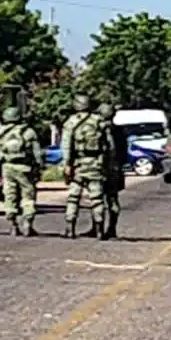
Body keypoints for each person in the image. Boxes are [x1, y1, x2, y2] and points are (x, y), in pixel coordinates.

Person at [60, 93, 114, 239]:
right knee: (96, 198)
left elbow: (66, 146)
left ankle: (70, 228)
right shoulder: (99, 121)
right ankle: (99, 229)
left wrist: (66, 165)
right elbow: (110, 146)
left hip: (78, 165)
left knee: (73, 197)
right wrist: (108, 165)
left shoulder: (71, 122)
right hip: (96, 164)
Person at [0, 104, 42, 237]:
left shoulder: (0, 134)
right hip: (26, 168)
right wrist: (39, 168)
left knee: (10, 196)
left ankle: (13, 225)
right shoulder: (29, 132)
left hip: (7, 168)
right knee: (28, 196)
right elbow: (38, 154)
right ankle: (28, 224)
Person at [98, 102, 125, 239]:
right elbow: (124, 152)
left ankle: (97, 229)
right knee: (113, 199)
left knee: (97, 199)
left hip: (100, 168)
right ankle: (112, 228)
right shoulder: (119, 130)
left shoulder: (97, 129)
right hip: (115, 168)